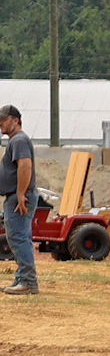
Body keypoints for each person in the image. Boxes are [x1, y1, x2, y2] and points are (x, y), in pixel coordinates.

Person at [0, 106, 34, 296]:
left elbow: (25, 166)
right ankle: (22, 278)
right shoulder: (16, 140)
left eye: (4, 120)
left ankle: (27, 281)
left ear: (15, 120)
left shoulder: (19, 140)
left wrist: (20, 194)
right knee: (20, 238)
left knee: (18, 238)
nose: (1, 124)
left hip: (19, 196)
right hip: (16, 196)